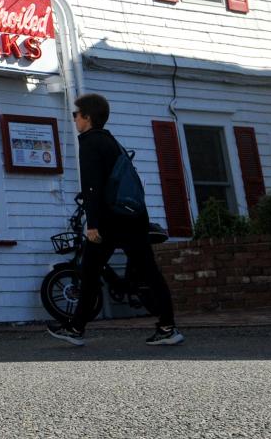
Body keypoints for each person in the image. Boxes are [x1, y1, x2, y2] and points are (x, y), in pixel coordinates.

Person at [48, 93, 184, 347]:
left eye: (76, 115)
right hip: (133, 217)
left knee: (88, 273)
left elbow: (92, 187)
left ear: (87, 117)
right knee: (149, 272)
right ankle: (168, 327)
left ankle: (76, 329)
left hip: (110, 221)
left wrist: (93, 224)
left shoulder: (89, 142)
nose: (74, 119)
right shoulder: (111, 141)